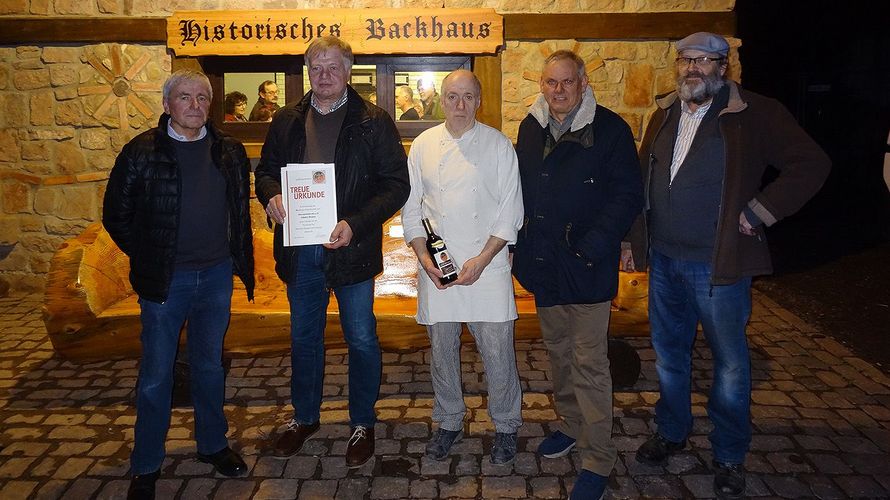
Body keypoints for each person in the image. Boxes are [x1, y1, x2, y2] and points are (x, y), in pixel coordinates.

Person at [625, 32, 830, 500]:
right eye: (685, 60)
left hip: (718, 266)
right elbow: (643, 182)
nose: (692, 68)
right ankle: (672, 431)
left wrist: (760, 210)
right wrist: (633, 239)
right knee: (671, 357)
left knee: (731, 365)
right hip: (665, 261)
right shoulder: (664, 114)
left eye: (704, 60)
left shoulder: (754, 113)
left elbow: (810, 163)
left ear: (723, 66)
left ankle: (730, 454)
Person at [254, 36, 410, 469]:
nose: (324, 76)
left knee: (361, 338)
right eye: (316, 68)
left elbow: (396, 185)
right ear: (308, 71)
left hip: (352, 249)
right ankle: (305, 418)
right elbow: (265, 171)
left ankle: (362, 422)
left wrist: (355, 223)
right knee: (304, 339)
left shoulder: (373, 121)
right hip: (301, 251)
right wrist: (270, 195)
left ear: (348, 71)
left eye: (332, 68)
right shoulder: (286, 119)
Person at [103, 69, 255, 500]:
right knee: (156, 373)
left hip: (216, 275)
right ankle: (146, 463)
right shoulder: (140, 153)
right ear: (167, 104)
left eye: (202, 98)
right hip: (166, 280)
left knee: (209, 366)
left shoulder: (229, 151)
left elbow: (237, 212)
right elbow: (116, 215)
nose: (194, 105)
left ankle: (212, 445)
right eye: (184, 97)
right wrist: (151, 255)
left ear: (211, 104)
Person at [511, 50, 643, 499]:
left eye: (568, 82)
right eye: (552, 83)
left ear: (584, 83)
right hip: (545, 266)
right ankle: (569, 424)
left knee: (590, 363)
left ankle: (598, 457)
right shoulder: (530, 128)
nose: (559, 90)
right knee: (558, 353)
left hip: (586, 265)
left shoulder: (610, 130)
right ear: (542, 86)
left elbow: (627, 195)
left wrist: (594, 246)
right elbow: (520, 190)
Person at [401, 69, 524, 464]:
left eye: (468, 97)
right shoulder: (422, 145)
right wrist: (424, 259)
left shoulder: (499, 144)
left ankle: (505, 425)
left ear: (479, 101)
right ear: (441, 100)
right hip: (439, 269)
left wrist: (482, 259)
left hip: (486, 266)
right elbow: (411, 210)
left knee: (498, 351)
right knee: (442, 350)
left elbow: (511, 211)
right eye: (452, 96)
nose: (460, 105)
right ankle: (449, 419)